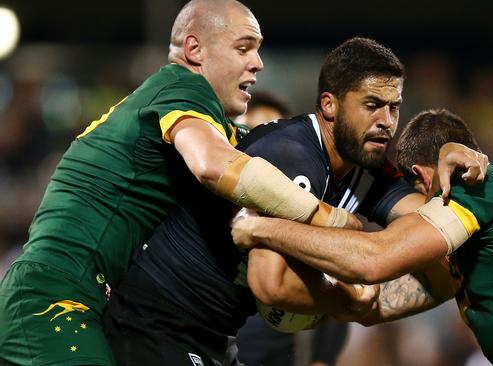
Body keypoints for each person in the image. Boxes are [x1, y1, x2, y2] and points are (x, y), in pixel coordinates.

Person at [0, 1, 364, 365]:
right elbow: (213, 165)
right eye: (243, 47)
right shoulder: (184, 86)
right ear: (194, 50)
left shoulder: (203, 117)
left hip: (73, 295)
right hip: (54, 297)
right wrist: (328, 219)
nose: (258, 62)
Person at [103, 38, 487, 366]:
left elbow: (430, 229)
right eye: (372, 105)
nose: (387, 120)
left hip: (212, 333)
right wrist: (348, 296)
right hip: (157, 320)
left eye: (394, 106)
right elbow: (270, 284)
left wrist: (458, 170)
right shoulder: (293, 154)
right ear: (330, 105)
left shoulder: (367, 170)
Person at [232, 109, 493, 365]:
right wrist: (325, 297)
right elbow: (376, 303)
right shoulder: (488, 228)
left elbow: (373, 259)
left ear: (422, 178)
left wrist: (264, 227)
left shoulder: (477, 189)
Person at [234, 91, 350, 366]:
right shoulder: (211, 210)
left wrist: (322, 360)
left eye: (277, 138)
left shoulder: (308, 214)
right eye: (256, 134)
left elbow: (333, 289)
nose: (270, 154)